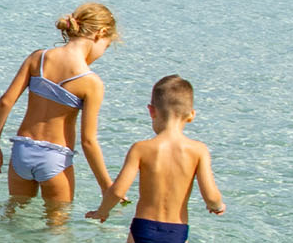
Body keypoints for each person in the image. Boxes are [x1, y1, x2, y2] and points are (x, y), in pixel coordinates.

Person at [0, 3, 118, 212]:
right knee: (57, 230)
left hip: (22, 151)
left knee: (13, 218)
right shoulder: (91, 82)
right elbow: (88, 141)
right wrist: (106, 185)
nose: (101, 54)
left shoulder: (38, 58)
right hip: (55, 158)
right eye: (106, 47)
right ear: (100, 34)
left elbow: (5, 102)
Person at [85, 76, 226, 242]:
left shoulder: (141, 148)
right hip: (176, 231)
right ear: (191, 115)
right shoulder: (198, 150)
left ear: (152, 111)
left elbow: (117, 191)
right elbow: (211, 196)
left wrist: (102, 211)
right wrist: (217, 206)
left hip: (144, 228)